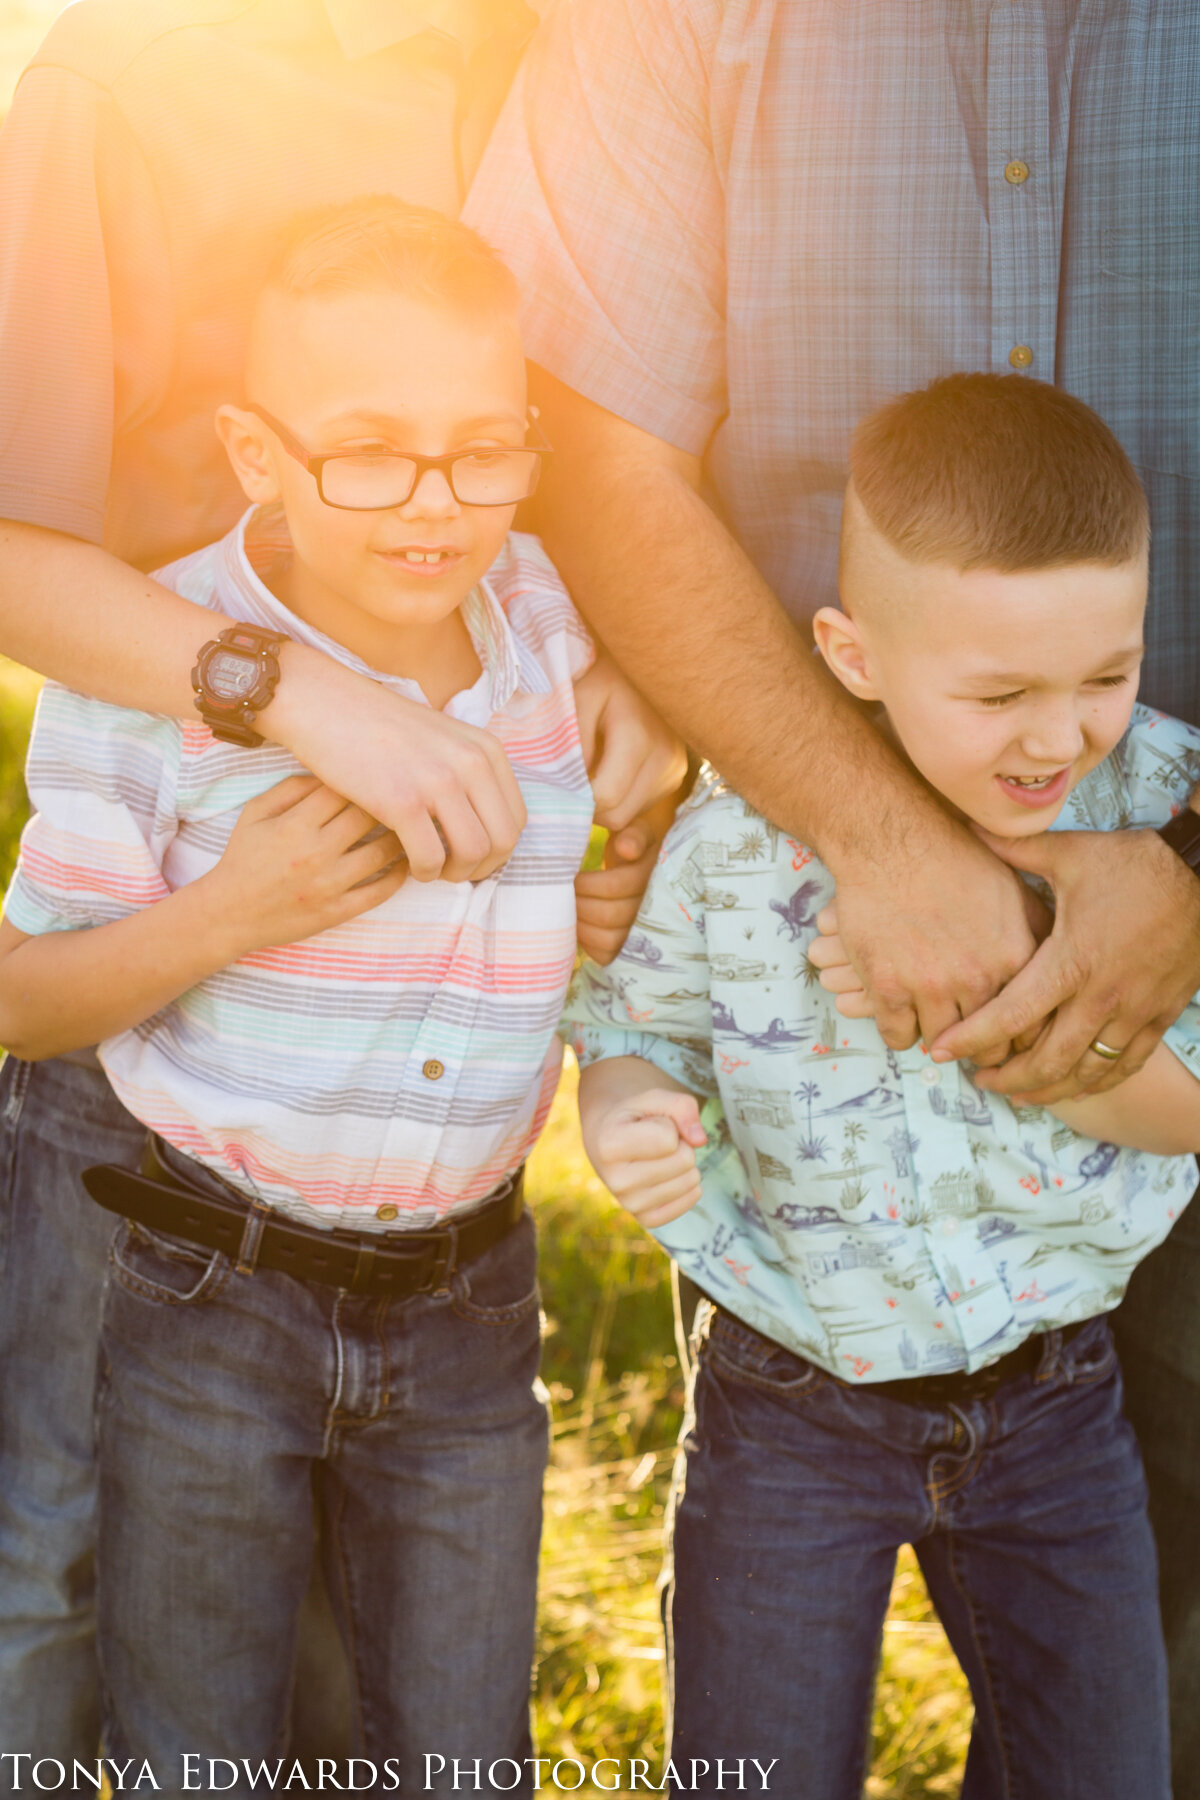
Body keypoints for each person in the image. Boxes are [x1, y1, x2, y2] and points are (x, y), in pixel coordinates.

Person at [463, 2, 1200, 1775]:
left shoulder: (1147, 763)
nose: (1049, 733)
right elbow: (584, 436)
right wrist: (873, 842)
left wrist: (1179, 879)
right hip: (803, 1359)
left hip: (1067, 1360)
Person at [0, 1, 680, 1765]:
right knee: (89, 1610)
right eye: (374, 449)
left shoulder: (566, 59)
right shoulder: (127, 79)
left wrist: (615, 675)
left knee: (431, 1722)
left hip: (457, 1295)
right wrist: (280, 751)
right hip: (193, 1216)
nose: (436, 493)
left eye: (477, 452)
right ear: (264, 453)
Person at [569, 373, 1199, 1796]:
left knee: (1101, 1772)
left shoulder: (1160, 820)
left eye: (1106, 674)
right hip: (791, 1399)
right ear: (852, 656)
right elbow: (630, 1022)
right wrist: (624, 1112)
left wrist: (996, 1009)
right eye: (999, 695)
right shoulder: (736, 847)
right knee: (756, 1766)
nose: (1058, 738)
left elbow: (1190, 1103)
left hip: (1057, 1406)